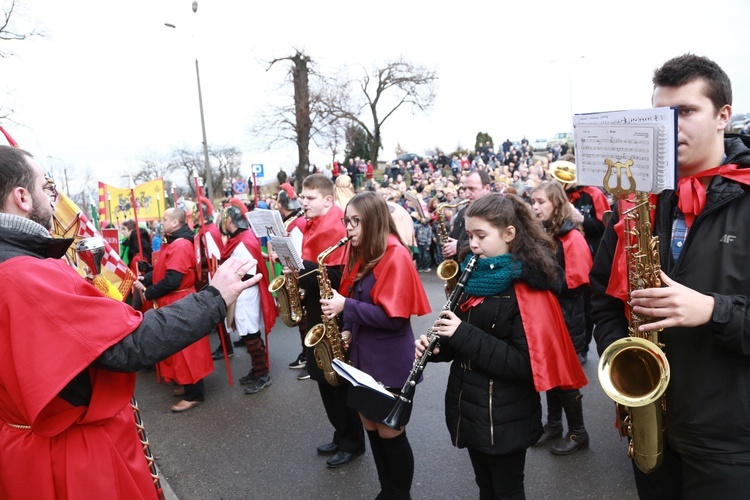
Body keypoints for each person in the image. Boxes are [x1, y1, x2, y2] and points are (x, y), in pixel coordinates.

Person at [0, 145, 260, 498]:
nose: (53, 198)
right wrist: (215, 298)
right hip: (68, 457)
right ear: (22, 197)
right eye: (46, 188)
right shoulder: (24, 274)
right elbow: (128, 346)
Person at [591, 54, 750, 498]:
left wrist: (714, 311)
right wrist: (624, 366)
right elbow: (602, 298)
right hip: (651, 425)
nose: (670, 127)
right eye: (661, 115)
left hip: (730, 442)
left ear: (723, 116)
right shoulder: (634, 202)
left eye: (685, 111)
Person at [416, 193, 586, 499]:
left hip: (506, 417)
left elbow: (524, 364)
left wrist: (460, 333)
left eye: (481, 235)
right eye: (468, 235)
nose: (473, 244)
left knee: (507, 491)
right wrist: (439, 350)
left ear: (509, 234)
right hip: (471, 408)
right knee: (486, 488)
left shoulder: (527, 289)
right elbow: (463, 340)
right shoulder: (476, 276)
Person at [321, 192, 431, 499]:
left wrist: (345, 307)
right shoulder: (364, 253)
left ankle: (400, 494)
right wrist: (345, 330)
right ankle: (387, 491)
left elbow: (394, 319)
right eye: (347, 221)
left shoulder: (395, 254)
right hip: (363, 359)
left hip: (388, 361)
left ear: (375, 220)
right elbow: (358, 301)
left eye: (357, 221)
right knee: (371, 427)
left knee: (390, 433)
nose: (350, 228)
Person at [296, 173, 365, 468]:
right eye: (302, 197)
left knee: (337, 380)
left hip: (332, 312)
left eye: (309, 198)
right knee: (323, 377)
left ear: (327, 200)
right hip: (317, 309)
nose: (303, 202)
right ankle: (341, 433)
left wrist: (300, 270)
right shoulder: (312, 224)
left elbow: (337, 278)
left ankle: (353, 442)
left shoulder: (336, 225)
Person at [531, 181, 593, 455]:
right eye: (533, 202)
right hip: (550, 316)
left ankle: (578, 433)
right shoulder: (547, 234)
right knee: (552, 372)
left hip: (568, 317)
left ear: (556, 203)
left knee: (566, 376)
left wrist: (539, 278)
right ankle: (553, 424)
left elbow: (577, 283)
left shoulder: (572, 238)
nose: (535, 207)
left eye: (541, 202)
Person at [135, 207, 213, 412]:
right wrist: (147, 278)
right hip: (174, 301)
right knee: (178, 349)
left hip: (179, 300)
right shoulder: (174, 242)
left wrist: (149, 293)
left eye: (165, 219)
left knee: (187, 349)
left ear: (176, 223)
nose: (162, 222)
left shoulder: (180, 245)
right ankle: (187, 385)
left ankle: (195, 394)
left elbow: (173, 280)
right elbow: (163, 269)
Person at [551, 155, 611, 362]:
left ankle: (582, 347)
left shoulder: (593, 193)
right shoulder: (558, 195)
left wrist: (582, 219)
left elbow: (606, 228)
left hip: (591, 258)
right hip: (563, 258)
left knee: (586, 307)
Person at [220, 198, 277, 393]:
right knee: (249, 333)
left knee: (250, 334)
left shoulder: (243, 241)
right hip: (243, 292)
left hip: (246, 293)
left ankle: (262, 374)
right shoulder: (239, 238)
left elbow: (250, 271)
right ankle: (258, 369)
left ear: (231, 220)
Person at [441, 169, 492, 261]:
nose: (467, 194)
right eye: (465, 189)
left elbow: (492, 245)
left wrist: (458, 246)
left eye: (472, 189)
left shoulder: (495, 213)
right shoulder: (462, 212)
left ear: (487, 189)